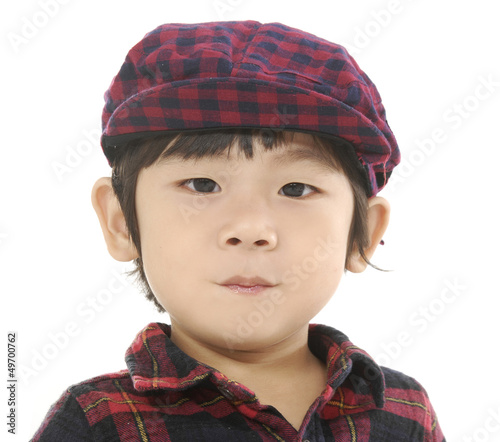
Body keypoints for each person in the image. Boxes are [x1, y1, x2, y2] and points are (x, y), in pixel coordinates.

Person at [31, 21, 445, 441]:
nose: (249, 229)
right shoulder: (95, 421)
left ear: (364, 235)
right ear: (121, 222)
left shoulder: (402, 409)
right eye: (202, 185)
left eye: (296, 189)